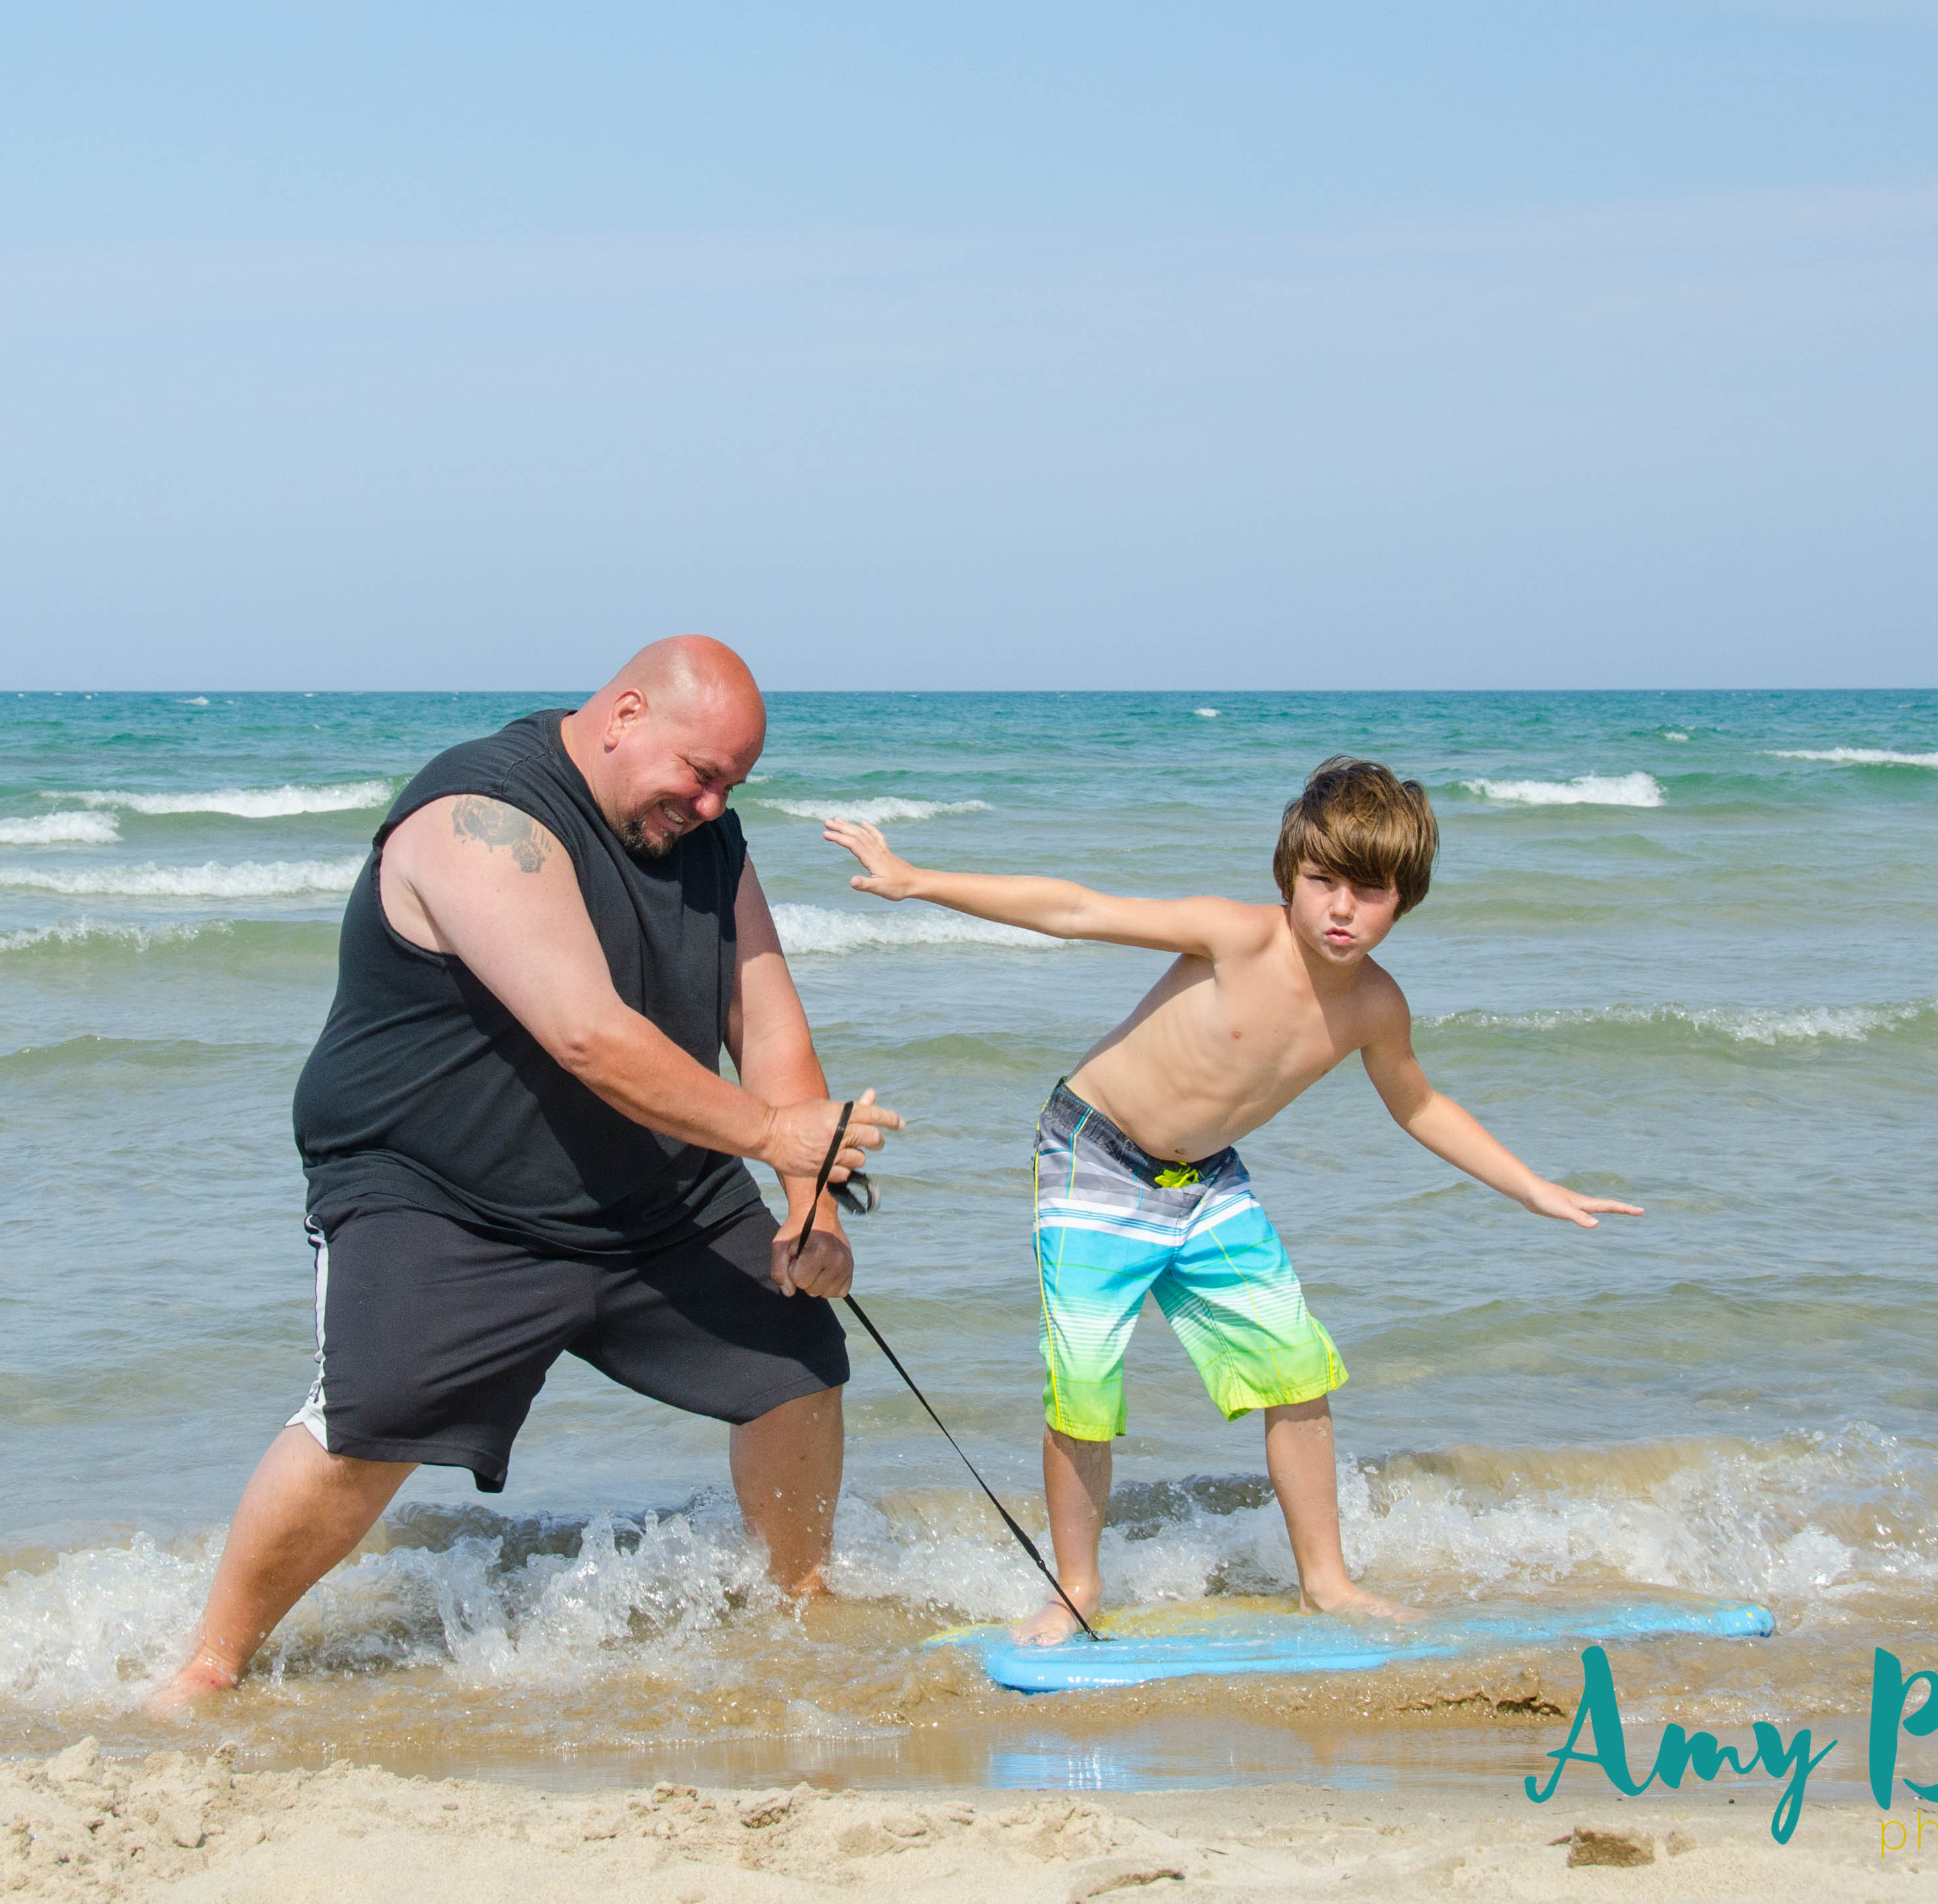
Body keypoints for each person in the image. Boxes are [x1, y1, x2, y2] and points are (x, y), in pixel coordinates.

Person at [154, 636, 901, 1710]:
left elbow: (768, 1024)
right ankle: (209, 1664)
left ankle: (801, 1600)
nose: (711, 806)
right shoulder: (481, 816)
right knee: (374, 1419)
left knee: (796, 1359)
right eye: (700, 775)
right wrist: (778, 1136)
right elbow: (588, 1035)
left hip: (652, 1182)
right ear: (625, 715)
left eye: (732, 787)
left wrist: (810, 1206)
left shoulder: (710, 838)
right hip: (442, 1188)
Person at [822, 757, 1637, 1645]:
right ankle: (1077, 1588)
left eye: (1369, 892)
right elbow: (1077, 910)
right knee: (1084, 1384)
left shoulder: (1376, 1006)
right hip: (1095, 1157)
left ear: (1405, 899)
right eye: (1323, 882)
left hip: (1207, 1182)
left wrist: (1532, 1187)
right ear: (1290, 875)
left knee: (1297, 1370)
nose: (1341, 909)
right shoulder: (1236, 936)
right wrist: (916, 880)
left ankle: (1327, 1584)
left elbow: (1419, 1105)